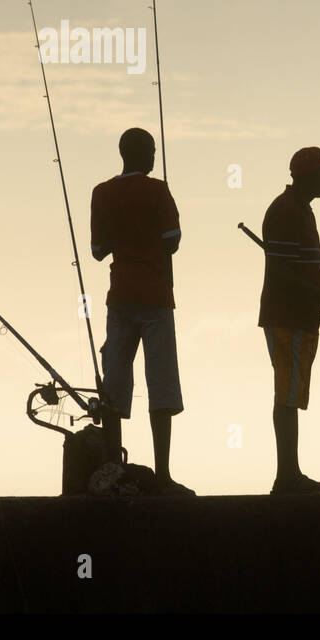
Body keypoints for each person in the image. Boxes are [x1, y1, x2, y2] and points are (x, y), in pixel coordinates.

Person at [90, 127, 193, 496]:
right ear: (145, 153)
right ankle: (163, 475)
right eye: (152, 150)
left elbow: (98, 250)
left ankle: (113, 470)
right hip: (156, 297)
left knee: (115, 384)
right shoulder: (158, 190)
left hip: (119, 296)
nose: (154, 156)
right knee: (161, 383)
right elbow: (173, 242)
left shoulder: (101, 193)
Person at [259, 146, 320, 495]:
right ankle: (287, 477)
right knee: (287, 396)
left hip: (299, 317)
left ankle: (291, 474)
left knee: (291, 394)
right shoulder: (287, 211)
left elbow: (308, 268)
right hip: (287, 317)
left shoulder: (300, 210)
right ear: (307, 176)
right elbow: (284, 274)